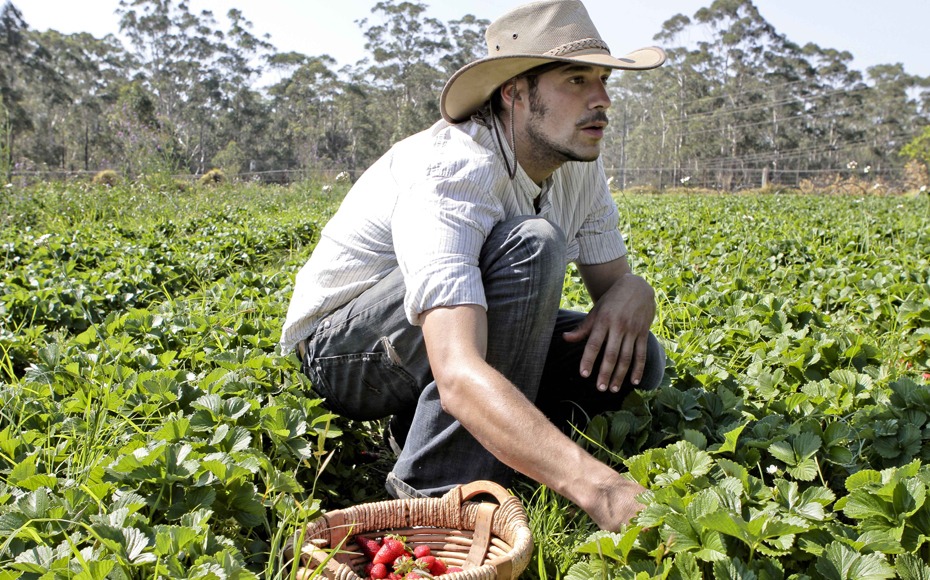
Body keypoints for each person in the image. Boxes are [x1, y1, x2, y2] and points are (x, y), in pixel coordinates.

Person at [280, 0, 667, 531]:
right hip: (345, 352)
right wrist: (602, 489)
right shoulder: (454, 169)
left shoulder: (576, 163)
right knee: (532, 244)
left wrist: (634, 290)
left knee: (637, 358)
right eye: (576, 80)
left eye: (603, 80)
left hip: (441, 338)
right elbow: (458, 371)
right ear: (514, 93)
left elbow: (614, 287)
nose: (601, 99)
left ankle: (424, 430)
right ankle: (434, 491)